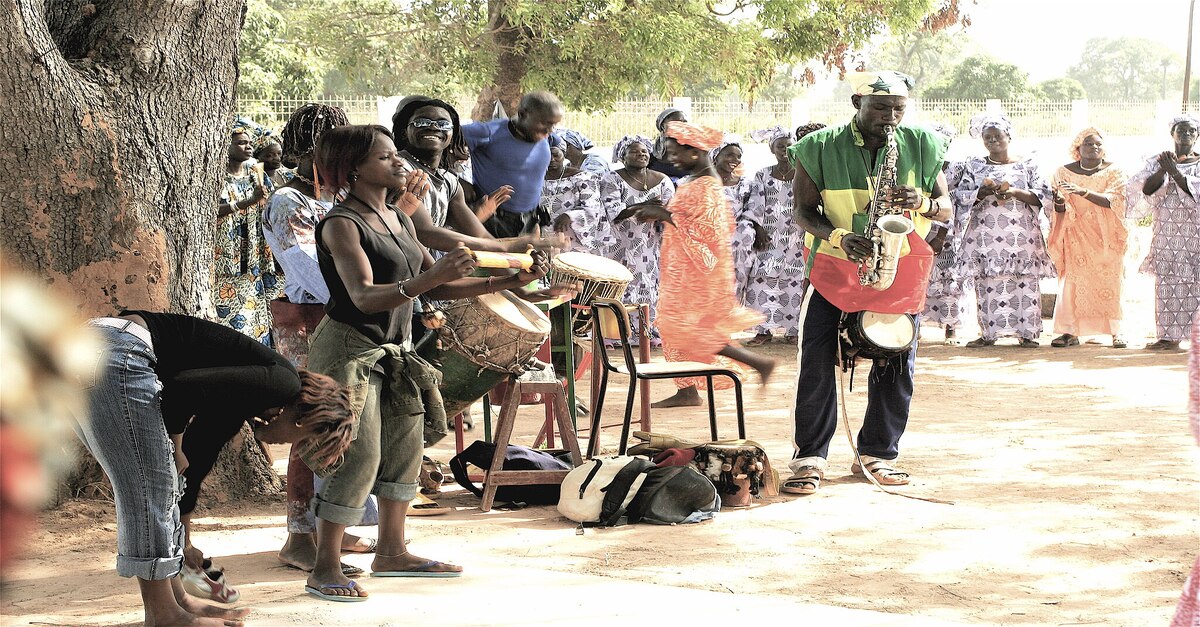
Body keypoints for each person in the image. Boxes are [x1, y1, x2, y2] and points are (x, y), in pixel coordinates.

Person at [304, 124, 551, 601]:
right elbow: (363, 296)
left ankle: (392, 553)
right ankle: (324, 566)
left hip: (396, 349)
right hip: (349, 350)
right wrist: (433, 274)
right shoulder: (341, 223)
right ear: (354, 169)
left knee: (404, 449)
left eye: (397, 155)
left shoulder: (396, 218)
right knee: (358, 455)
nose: (400, 163)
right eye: (385, 158)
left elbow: (434, 286)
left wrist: (502, 284)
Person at [76, 311, 354, 625]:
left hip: (96, 349)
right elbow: (180, 389)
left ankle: (178, 600)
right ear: (303, 421)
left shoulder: (246, 400)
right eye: (302, 440)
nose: (292, 445)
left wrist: (186, 543)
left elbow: (194, 466)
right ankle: (164, 616)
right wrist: (176, 447)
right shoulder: (280, 383)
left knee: (160, 484)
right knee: (148, 489)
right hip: (116, 351)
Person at [784, 70, 950, 495]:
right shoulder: (816, 146)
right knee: (817, 362)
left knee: (896, 362)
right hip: (834, 265)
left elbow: (945, 209)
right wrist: (840, 236)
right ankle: (809, 458)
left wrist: (923, 201)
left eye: (898, 108)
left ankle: (879, 453)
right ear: (855, 103)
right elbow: (802, 212)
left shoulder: (924, 143)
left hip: (897, 269)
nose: (889, 117)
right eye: (879, 107)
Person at [260, 103, 381, 577]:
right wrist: (364, 294)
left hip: (347, 318)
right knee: (310, 422)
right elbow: (307, 270)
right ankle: (298, 536)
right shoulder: (290, 202)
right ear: (315, 152)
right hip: (312, 320)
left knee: (347, 422)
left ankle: (335, 521)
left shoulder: (339, 199)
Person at [637, 121, 775, 409]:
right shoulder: (697, 182)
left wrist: (663, 214)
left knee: (688, 329)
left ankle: (758, 364)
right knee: (675, 327)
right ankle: (687, 389)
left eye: (676, 153)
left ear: (696, 153)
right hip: (683, 269)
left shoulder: (706, 187)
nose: (670, 159)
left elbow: (711, 232)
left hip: (698, 274)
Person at [953, 113, 1054, 349]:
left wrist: (1015, 192)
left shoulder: (1028, 163)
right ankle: (989, 333)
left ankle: (1028, 334)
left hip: (1022, 235)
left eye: (997, 136)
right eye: (987, 137)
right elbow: (962, 196)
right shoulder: (974, 165)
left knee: (1025, 280)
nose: (992, 141)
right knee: (988, 281)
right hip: (986, 236)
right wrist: (984, 192)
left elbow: (1043, 195)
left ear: (1009, 136)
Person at [1047, 127, 1129, 349]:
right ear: (1077, 149)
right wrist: (1059, 201)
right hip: (1075, 234)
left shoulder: (1115, 171)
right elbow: (1059, 208)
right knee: (1073, 281)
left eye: (1098, 145)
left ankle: (1115, 331)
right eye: (1088, 144)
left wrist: (1081, 191)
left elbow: (1115, 200)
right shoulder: (1063, 172)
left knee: (1110, 281)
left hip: (1106, 237)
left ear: (1104, 149)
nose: (1094, 148)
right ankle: (1069, 332)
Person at [1126, 114, 1200, 351]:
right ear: (1172, 134)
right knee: (1167, 283)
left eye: (1191, 131)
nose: (1186, 135)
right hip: (1167, 234)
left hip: (1195, 233)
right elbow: (1146, 189)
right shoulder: (1158, 160)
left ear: (1197, 135)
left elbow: (1195, 194)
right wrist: (1163, 169)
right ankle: (1168, 336)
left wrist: (1176, 172)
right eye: (1181, 130)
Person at [599, 135, 675, 345]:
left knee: (648, 286)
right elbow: (615, 212)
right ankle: (616, 334)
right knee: (619, 286)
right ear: (622, 156)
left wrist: (653, 212)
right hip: (619, 243)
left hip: (650, 243)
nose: (641, 154)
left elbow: (671, 211)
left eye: (644, 151)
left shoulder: (662, 179)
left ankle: (645, 333)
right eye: (633, 151)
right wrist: (646, 205)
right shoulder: (611, 179)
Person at [215, 117, 281, 345]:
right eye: (241, 142)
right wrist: (243, 203)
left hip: (253, 252)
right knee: (228, 305)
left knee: (255, 303)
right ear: (226, 145)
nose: (248, 146)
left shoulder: (256, 172)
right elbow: (207, 211)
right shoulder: (215, 175)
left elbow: (270, 204)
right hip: (226, 253)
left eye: (250, 142)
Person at [462, 91, 564, 238]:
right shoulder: (489, 132)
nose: (550, 130)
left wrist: (558, 153)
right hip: (493, 221)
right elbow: (440, 144)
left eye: (554, 124)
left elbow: (558, 145)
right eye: (544, 123)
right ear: (522, 114)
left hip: (531, 221)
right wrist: (458, 181)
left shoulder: (546, 135)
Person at [741, 127, 806, 345]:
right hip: (769, 235)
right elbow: (756, 203)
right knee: (762, 279)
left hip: (797, 235)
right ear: (772, 149)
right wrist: (758, 229)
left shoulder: (803, 172)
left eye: (789, 145)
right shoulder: (763, 174)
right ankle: (763, 330)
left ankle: (793, 330)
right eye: (780, 146)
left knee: (794, 280)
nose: (785, 150)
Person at [541, 144, 614, 256]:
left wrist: (570, 216)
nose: (552, 159)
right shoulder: (535, 179)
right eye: (546, 155)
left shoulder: (582, 178)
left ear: (564, 154)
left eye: (556, 155)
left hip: (574, 242)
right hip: (544, 240)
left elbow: (593, 208)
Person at [712, 139, 753, 306]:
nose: (734, 160)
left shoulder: (745, 184)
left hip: (739, 244)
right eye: (729, 155)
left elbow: (752, 211)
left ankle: (729, 319)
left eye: (738, 156)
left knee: (736, 281)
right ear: (715, 156)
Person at [648, 107, 691, 182]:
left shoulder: (693, 150)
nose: (683, 125)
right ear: (663, 126)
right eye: (678, 122)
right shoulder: (648, 154)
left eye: (685, 122)